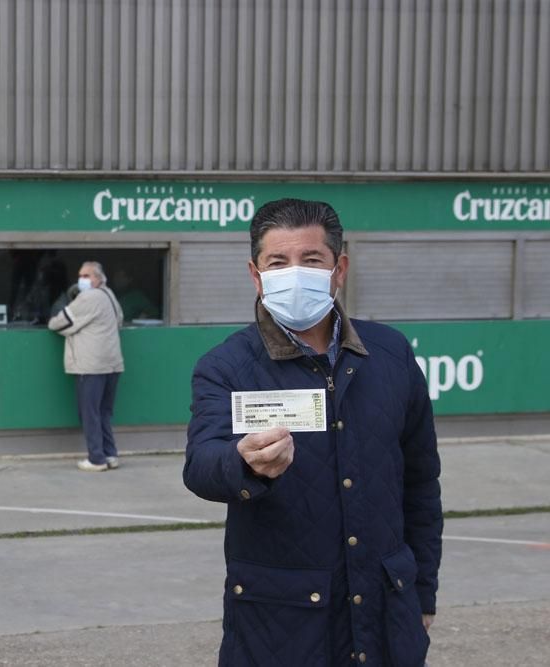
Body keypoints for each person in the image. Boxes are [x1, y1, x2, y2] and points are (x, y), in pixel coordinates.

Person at [183, 199, 442, 666]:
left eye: (312, 260)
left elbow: (421, 484)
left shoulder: (391, 354)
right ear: (256, 274)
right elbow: (201, 465)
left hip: (388, 613)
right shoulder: (226, 367)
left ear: (338, 268)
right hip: (280, 626)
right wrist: (242, 462)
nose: (295, 273)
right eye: (278, 262)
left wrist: (422, 594)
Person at [48, 261, 124, 471]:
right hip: (112, 364)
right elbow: (119, 320)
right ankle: (110, 455)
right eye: (80, 275)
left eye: (87, 275)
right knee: (104, 412)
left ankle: (96, 459)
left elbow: (57, 323)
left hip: (91, 366)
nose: (82, 279)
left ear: (99, 278)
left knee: (89, 413)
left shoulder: (89, 297)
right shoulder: (109, 294)